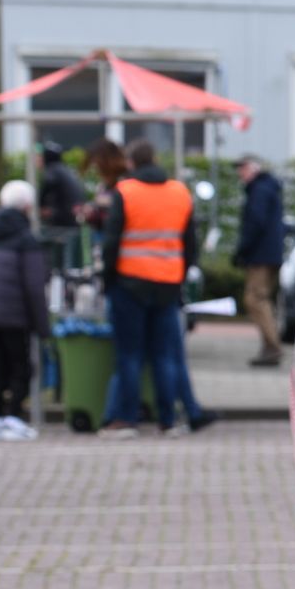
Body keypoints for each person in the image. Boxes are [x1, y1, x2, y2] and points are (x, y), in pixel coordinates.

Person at [100, 139, 213, 437]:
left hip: (129, 283)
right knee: (165, 355)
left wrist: (107, 279)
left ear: (131, 163)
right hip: (167, 282)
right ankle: (169, 419)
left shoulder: (126, 192)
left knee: (130, 356)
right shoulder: (179, 192)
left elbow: (112, 242)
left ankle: (126, 419)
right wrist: (179, 273)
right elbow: (190, 244)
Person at [0, 181, 52, 441]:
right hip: (16, 315)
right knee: (22, 367)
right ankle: (14, 415)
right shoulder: (25, 239)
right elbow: (34, 286)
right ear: (28, 207)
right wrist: (42, 326)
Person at [234, 154, 286, 366]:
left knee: (255, 299)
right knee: (261, 298)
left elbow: (255, 223)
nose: (240, 173)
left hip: (261, 256)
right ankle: (269, 345)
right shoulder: (267, 188)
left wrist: (242, 250)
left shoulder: (259, 190)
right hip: (269, 254)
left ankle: (272, 346)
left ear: (253, 168)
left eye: (242, 168)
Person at [37, 141, 86, 230]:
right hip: (73, 217)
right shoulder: (64, 169)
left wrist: (40, 205)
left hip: (64, 218)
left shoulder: (52, 169)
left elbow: (48, 185)